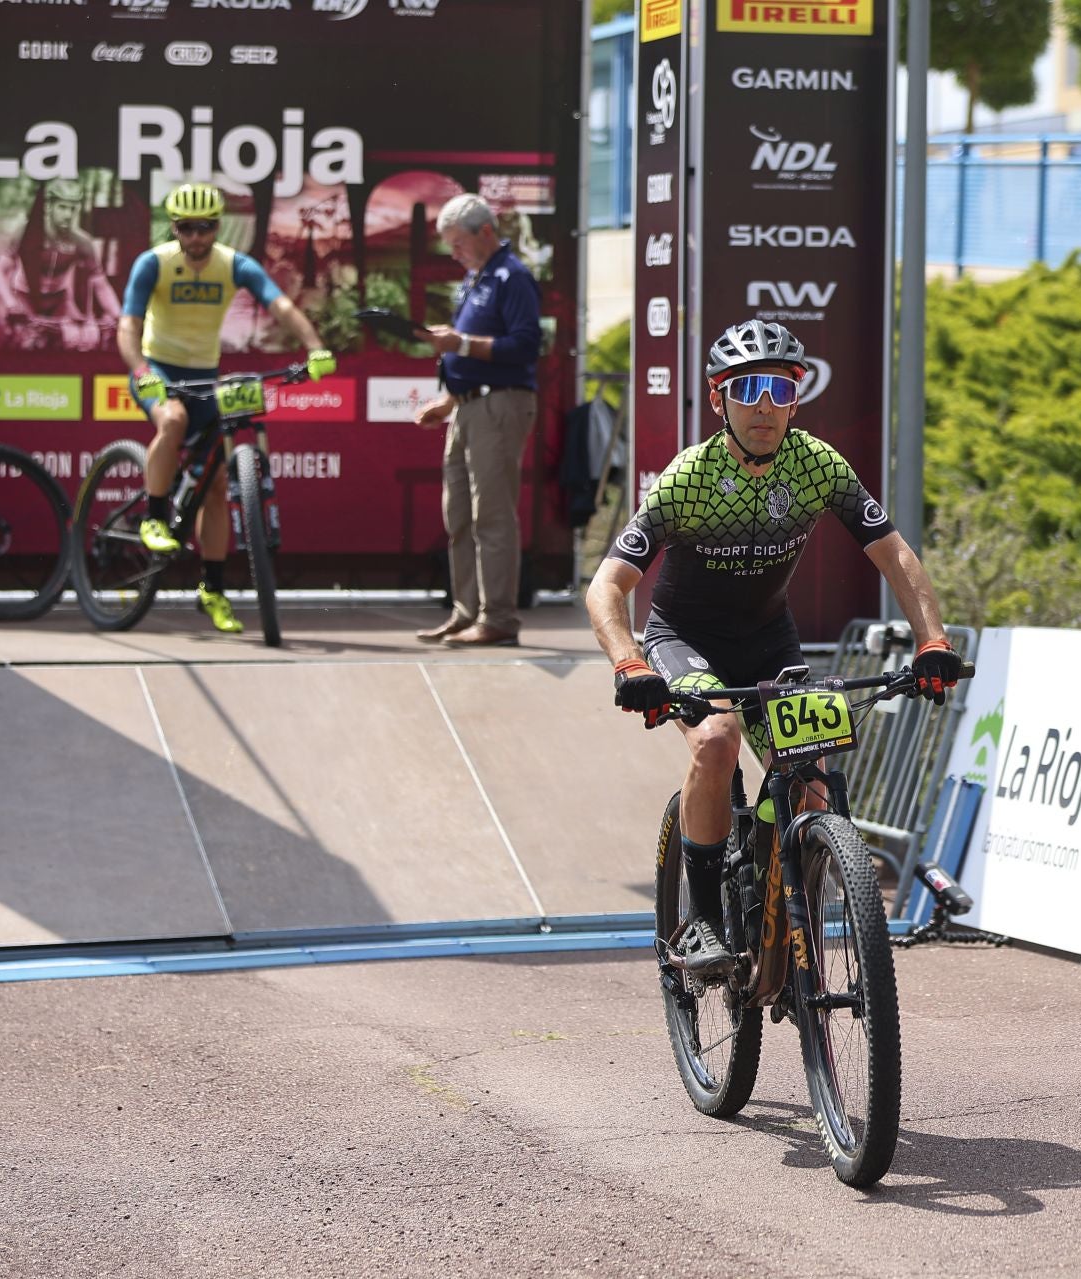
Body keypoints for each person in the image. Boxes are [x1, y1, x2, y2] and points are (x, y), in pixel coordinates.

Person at [584, 319, 964, 977]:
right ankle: (703, 921)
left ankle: (776, 898)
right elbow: (606, 586)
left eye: (780, 390)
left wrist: (933, 641)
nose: (764, 406)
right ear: (719, 400)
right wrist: (629, 662)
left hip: (767, 641)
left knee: (812, 782)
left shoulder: (818, 466)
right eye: (747, 389)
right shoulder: (689, 478)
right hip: (686, 640)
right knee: (717, 740)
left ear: (796, 400)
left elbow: (895, 555)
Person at [117, 181, 335, 635]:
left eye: (206, 228)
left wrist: (315, 346)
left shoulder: (234, 264)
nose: (196, 237)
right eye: (187, 228)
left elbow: (281, 305)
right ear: (174, 227)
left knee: (217, 484)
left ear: (218, 226)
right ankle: (154, 518)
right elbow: (128, 326)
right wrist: (141, 369)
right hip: (158, 369)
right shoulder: (153, 263)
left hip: (204, 374)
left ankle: (212, 590)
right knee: (172, 419)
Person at [412, 192, 542, 648]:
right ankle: (466, 612)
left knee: (491, 515)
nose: (453, 253)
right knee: (460, 518)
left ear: (485, 231)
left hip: (499, 407)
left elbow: (526, 346)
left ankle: (499, 618)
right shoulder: (475, 277)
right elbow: (469, 351)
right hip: (467, 408)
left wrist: (461, 344)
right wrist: (448, 403)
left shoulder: (512, 276)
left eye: (458, 243)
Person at [0, 177, 122, 353]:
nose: (68, 214)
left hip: (59, 301)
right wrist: (10, 304)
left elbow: (100, 283)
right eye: (62, 207)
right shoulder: (26, 232)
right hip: (26, 298)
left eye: (72, 208)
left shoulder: (82, 242)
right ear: (48, 206)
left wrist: (120, 316)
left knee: (73, 347)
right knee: (25, 346)